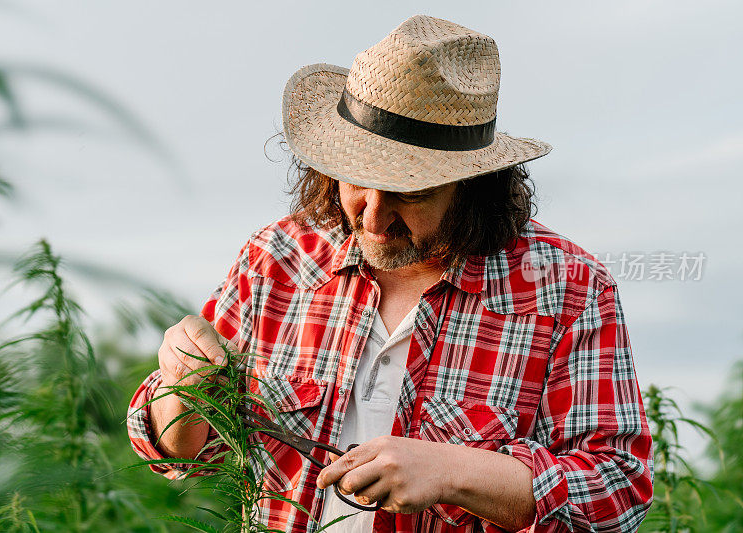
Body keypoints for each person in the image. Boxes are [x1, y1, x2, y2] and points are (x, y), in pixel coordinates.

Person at [128, 14, 653, 533]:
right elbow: (183, 452)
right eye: (357, 181)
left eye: (410, 192)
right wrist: (184, 386)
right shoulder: (278, 259)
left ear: (472, 185)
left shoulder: (565, 287)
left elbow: (618, 488)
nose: (373, 217)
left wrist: (454, 472)